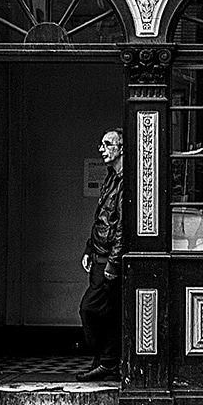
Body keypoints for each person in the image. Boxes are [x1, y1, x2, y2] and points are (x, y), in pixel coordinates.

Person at [78, 128, 123, 378]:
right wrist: (88, 248)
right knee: (105, 313)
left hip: (107, 262)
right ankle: (105, 362)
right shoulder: (111, 178)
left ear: (122, 148)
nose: (101, 149)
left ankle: (107, 362)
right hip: (98, 258)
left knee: (90, 309)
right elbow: (101, 221)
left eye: (108, 144)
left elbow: (122, 229)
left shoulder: (126, 182)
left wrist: (112, 265)